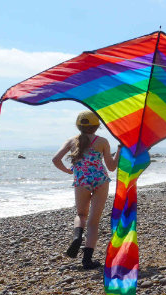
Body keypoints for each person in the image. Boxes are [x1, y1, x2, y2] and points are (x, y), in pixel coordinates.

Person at [52, 110, 121, 269]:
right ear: (97, 126)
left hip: (81, 181)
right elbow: (111, 167)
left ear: (78, 126)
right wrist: (119, 150)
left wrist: (68, 171)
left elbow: (56, 159)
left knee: (81, 215)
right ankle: (87, 260)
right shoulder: (102, 141)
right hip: (100, 181)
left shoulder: (71, 141)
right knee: (93, 222)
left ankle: (77, 236)